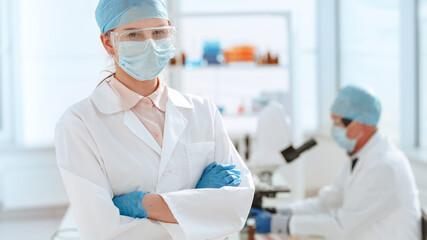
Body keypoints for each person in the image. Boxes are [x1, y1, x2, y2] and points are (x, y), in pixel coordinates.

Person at [54, 1, 255, 239]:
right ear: (108, 43)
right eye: (133, 34)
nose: (149, 44)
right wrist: (197, 208)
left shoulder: (202, 111)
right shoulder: (79, 124)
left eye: (159, 32)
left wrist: (147, 205)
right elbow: (102, 230)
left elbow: (236, 209)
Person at [249, 85, 421, 239]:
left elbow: (342, 225)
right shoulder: (358, 156)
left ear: (365, 124)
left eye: (341, 123)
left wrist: (281, 224)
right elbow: (326, 202)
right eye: (334, 121)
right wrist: (280, 213)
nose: (335, 128)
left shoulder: (385, 166)